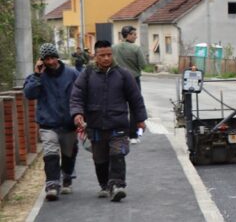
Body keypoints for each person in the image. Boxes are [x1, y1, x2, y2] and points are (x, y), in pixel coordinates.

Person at [70, 40, 148, 202]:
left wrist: (140, 119)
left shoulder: (123, 74)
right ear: (95, 56)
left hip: (118, 123)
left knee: (117, 154)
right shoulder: (87, 74)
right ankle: (105, 185)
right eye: (102, 55)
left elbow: (135, 99)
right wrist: (77, 113)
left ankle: (118, 185)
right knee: (100, 160)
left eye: (109, 55)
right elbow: (77, 95)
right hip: (95, 125)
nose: (106, 58)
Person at [23, 43, 80, 201]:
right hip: (48, 123)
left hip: (69, 123)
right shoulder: (38, 76)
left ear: (57, 57)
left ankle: (67, 176)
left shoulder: (72, 74)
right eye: (46, 59)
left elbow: (82, 93)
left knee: (69, 154)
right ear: (42, 60)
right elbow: (29, 94)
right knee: (51, 154)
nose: (50, 62)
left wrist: (81, 115)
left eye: (53, 58)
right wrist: (36, 75)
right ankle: (52, 185)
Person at [113, 25, 147, 89]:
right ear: (128, 35)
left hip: (118, 78)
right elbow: (143, 66)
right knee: (135, 95)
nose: (136, 37)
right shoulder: (136, 48)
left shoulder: (113, 47)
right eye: (134, 34)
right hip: (133, 79)